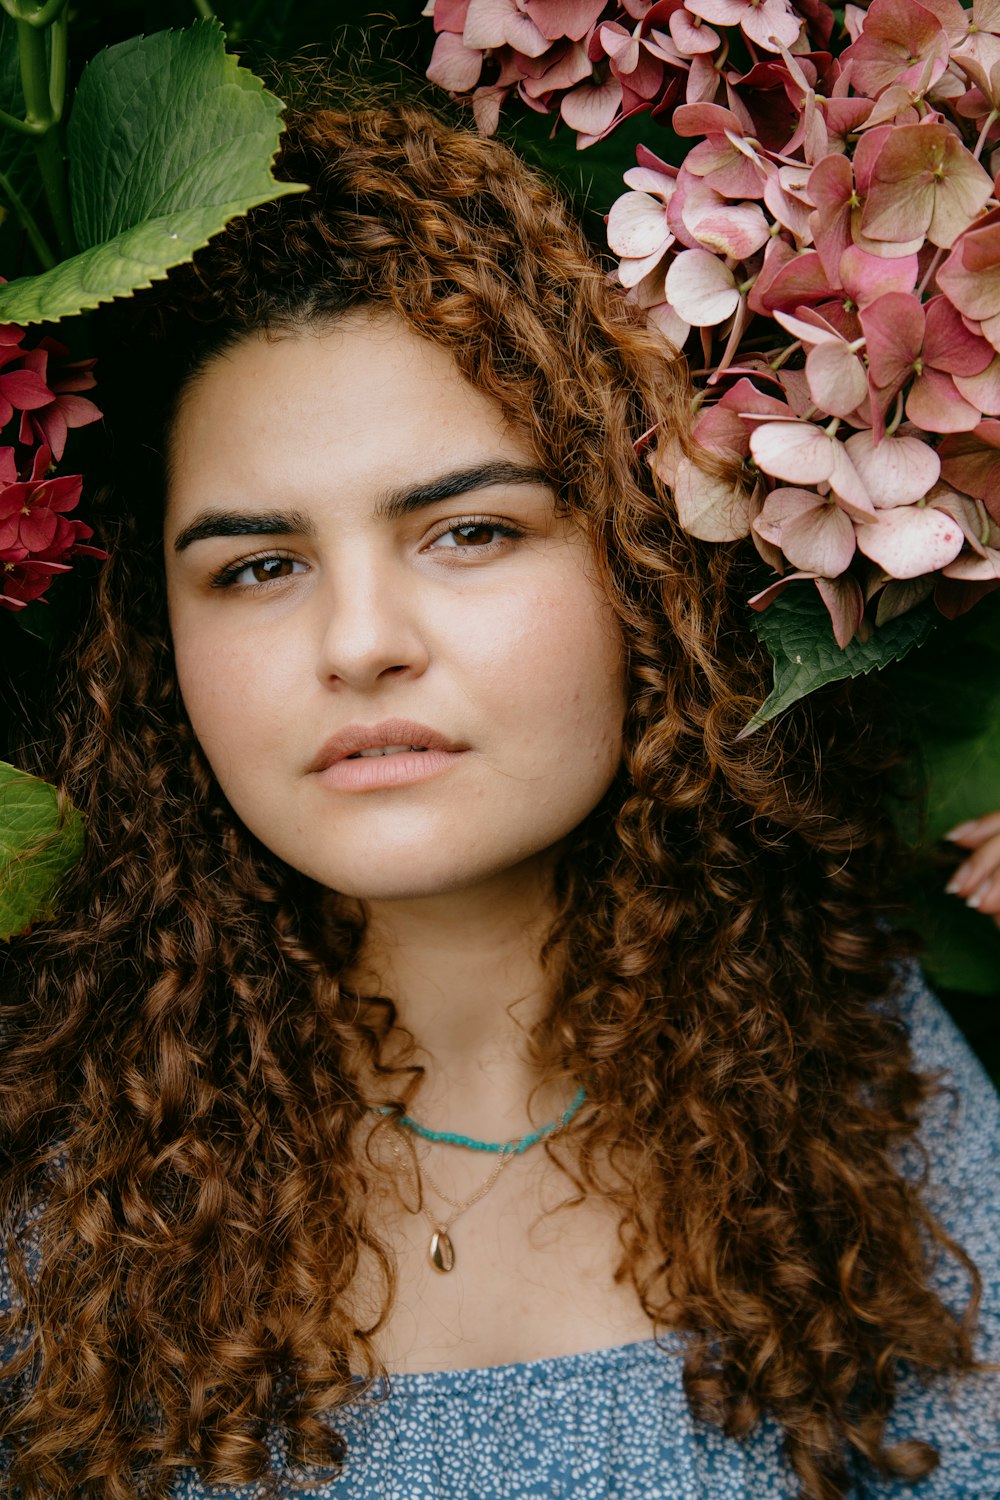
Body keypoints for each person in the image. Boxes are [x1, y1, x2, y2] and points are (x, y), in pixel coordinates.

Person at [0, 94, 997, 1500]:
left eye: (469, 531)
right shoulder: (54, 1174)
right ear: (156, 645)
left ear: (643, 571)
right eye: (256, 567)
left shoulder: (866, 1094)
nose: (360, 643)